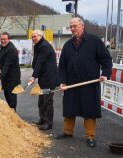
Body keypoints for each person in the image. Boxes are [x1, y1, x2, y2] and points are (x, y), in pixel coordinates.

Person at [57, 17, 112, 147]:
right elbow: (62, 65)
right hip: (71, 83)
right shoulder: (68, 44)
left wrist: (105, 73)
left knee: (89, 110)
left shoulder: (94, 41)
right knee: (69, 109)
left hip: (89, 83)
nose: (72, 29)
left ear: (82, 26)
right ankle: (67, 132)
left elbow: (106, 59)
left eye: (74, 26)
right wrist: (63, 82)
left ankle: (90, 136)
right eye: (71, 26)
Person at [30, 30, 58, 130]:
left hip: (49, 79)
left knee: (47, 101)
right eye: (32, 37)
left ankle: (48, 123)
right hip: (43, 79)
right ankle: (42, 119)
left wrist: (33, 76)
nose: (33, 38)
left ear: (41, 36)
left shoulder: (44, 46)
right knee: (41, 100)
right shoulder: (38, 45)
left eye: (35, 37)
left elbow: (40, 62)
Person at [0, 32, 21, 111]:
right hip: (6, 77)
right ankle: (10, 112)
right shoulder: (3, 46)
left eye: (4, 39)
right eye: (1, 39)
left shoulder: (11, 49)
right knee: (6, 94)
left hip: (12, 78)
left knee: (11, 96)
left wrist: (0, 76)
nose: (3, 41)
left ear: (9, 39)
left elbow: (7, 65)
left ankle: (13, 113)